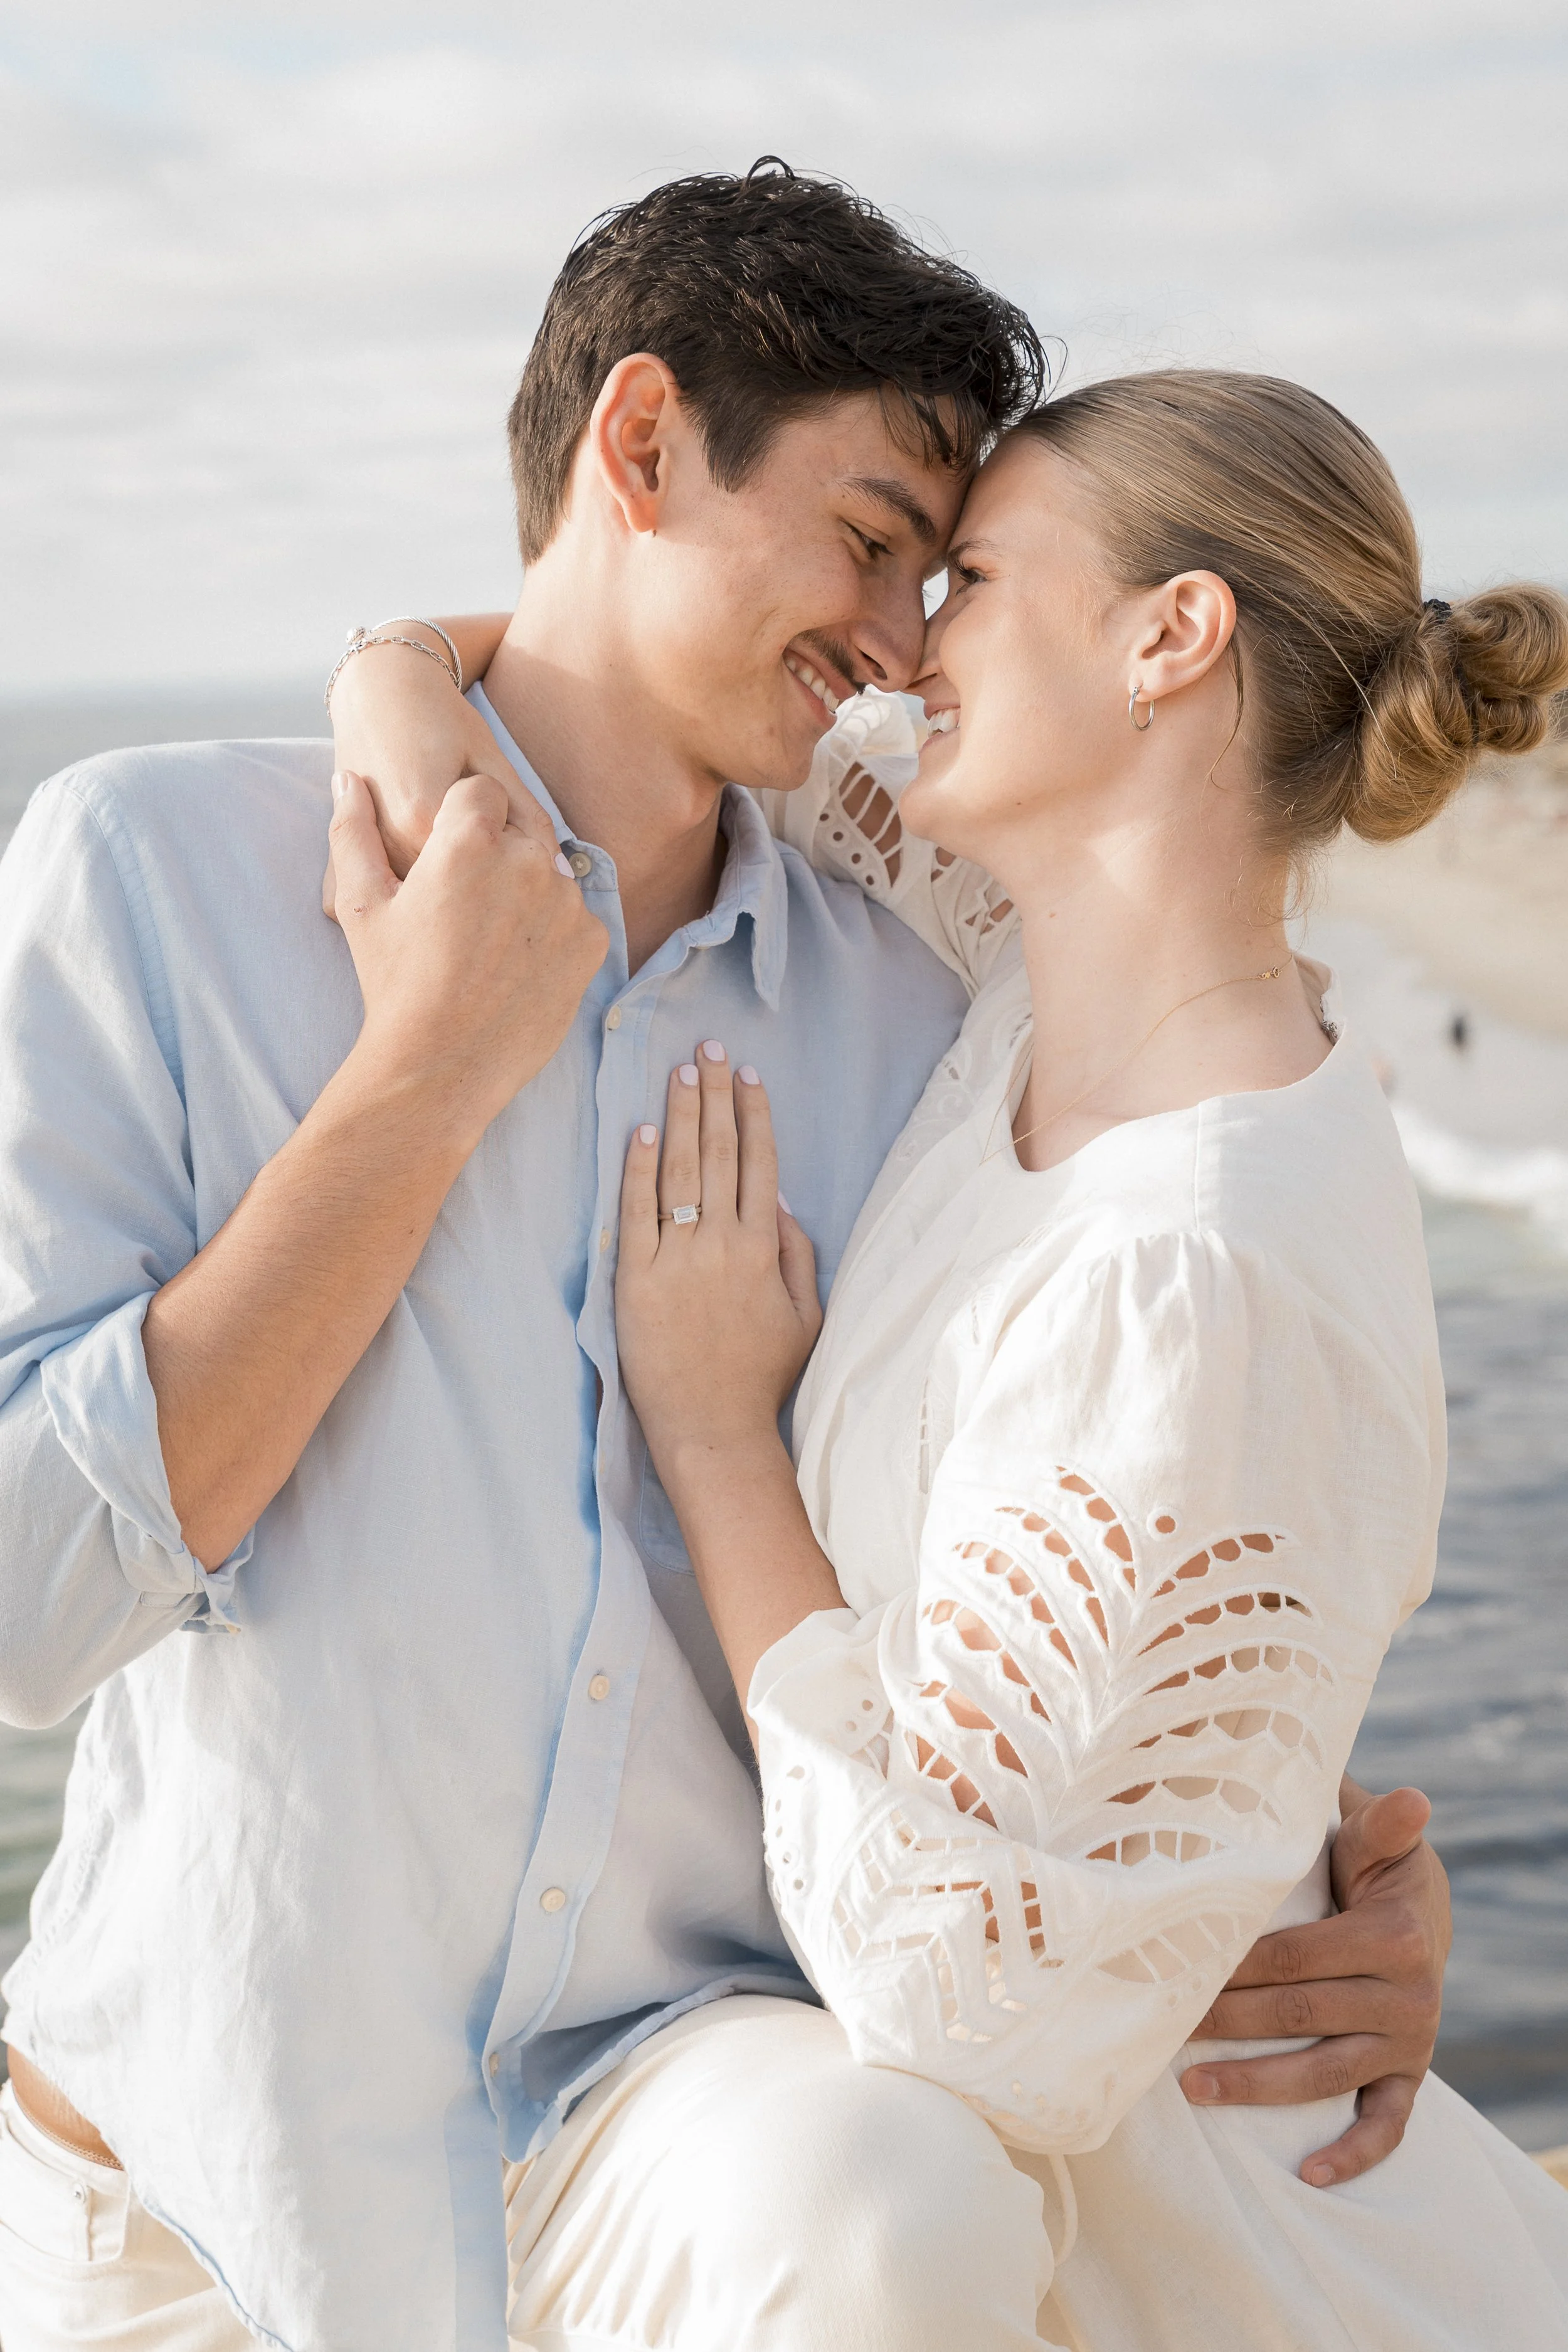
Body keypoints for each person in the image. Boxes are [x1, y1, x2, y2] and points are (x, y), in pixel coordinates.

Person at [0, 162, 1444, 2352]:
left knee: (895, 2206)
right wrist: (424, 1072)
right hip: (193, 2192)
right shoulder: (154, 872)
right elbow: (23, 1602)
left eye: (945, 575)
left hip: (683, 2128)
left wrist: (1295, 1851)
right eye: (874, 543)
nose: (899, 640)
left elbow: (1101, 1471)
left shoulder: (933, 1020)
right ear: (643, 442)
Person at [596, 374, 1568, 2344]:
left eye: (963, 576)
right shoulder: (1027, 977)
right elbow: (635, 680)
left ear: (1169, 636)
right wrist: (384, 678)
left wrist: (717, 1443)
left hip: (1231, 2277)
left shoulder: (1197, 1264)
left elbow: (964, 1990)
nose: (906, 638)